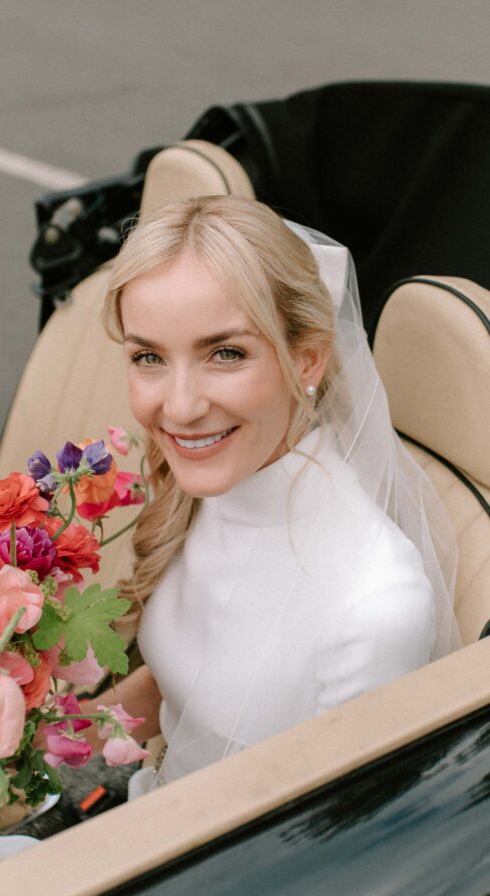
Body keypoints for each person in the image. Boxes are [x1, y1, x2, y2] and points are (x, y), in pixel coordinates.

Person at [89, 195, 460, 795]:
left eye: (226, 353)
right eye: (149, 357)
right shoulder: (218, 484)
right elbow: (171, 682)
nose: (179, 408)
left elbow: (338, 847)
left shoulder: (374, 606)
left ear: (308, 358)